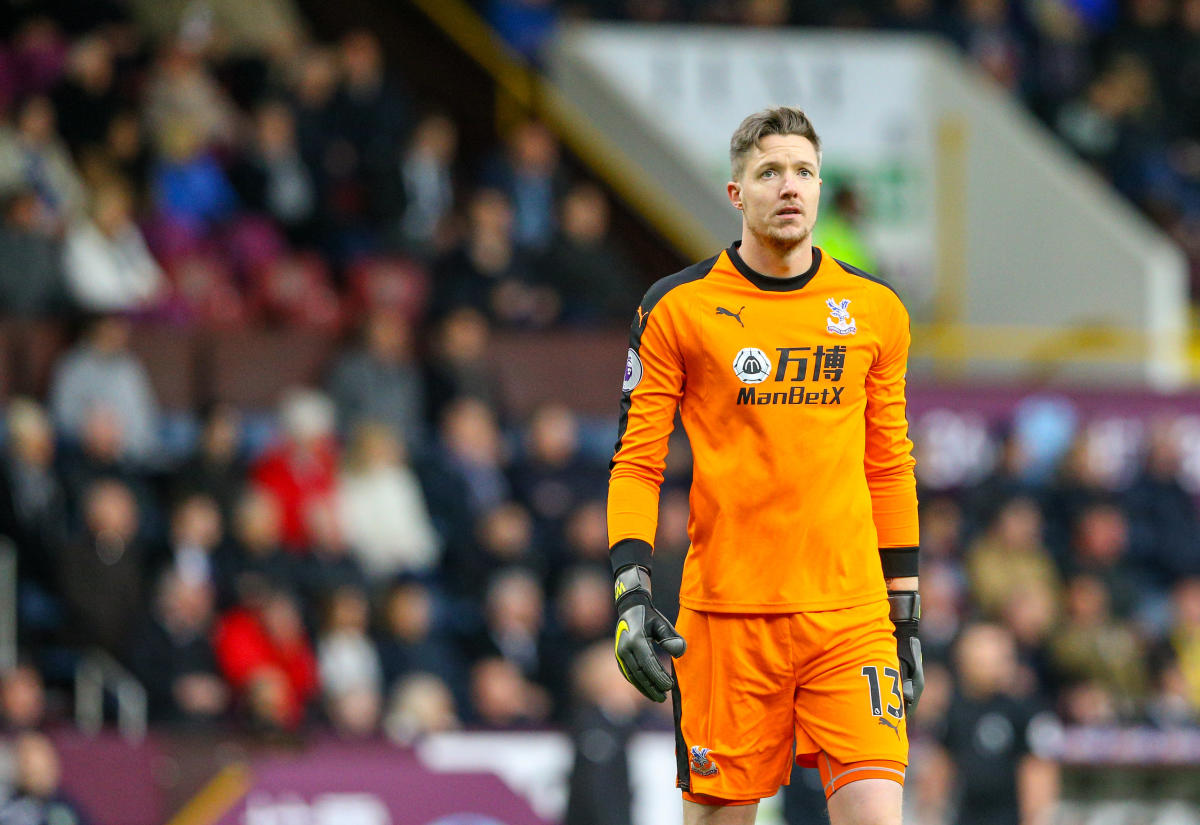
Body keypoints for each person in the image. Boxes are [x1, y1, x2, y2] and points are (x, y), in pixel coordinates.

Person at [607, 107, 923, 825]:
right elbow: (637, 463)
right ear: (735, 193)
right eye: (770, 172)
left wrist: (903, 607)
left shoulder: (875, 310)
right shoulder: (677, 309)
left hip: (850, 615)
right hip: (726, 620)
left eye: (805, 172)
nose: (790, 187)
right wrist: (631, 593)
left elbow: (890, 465)